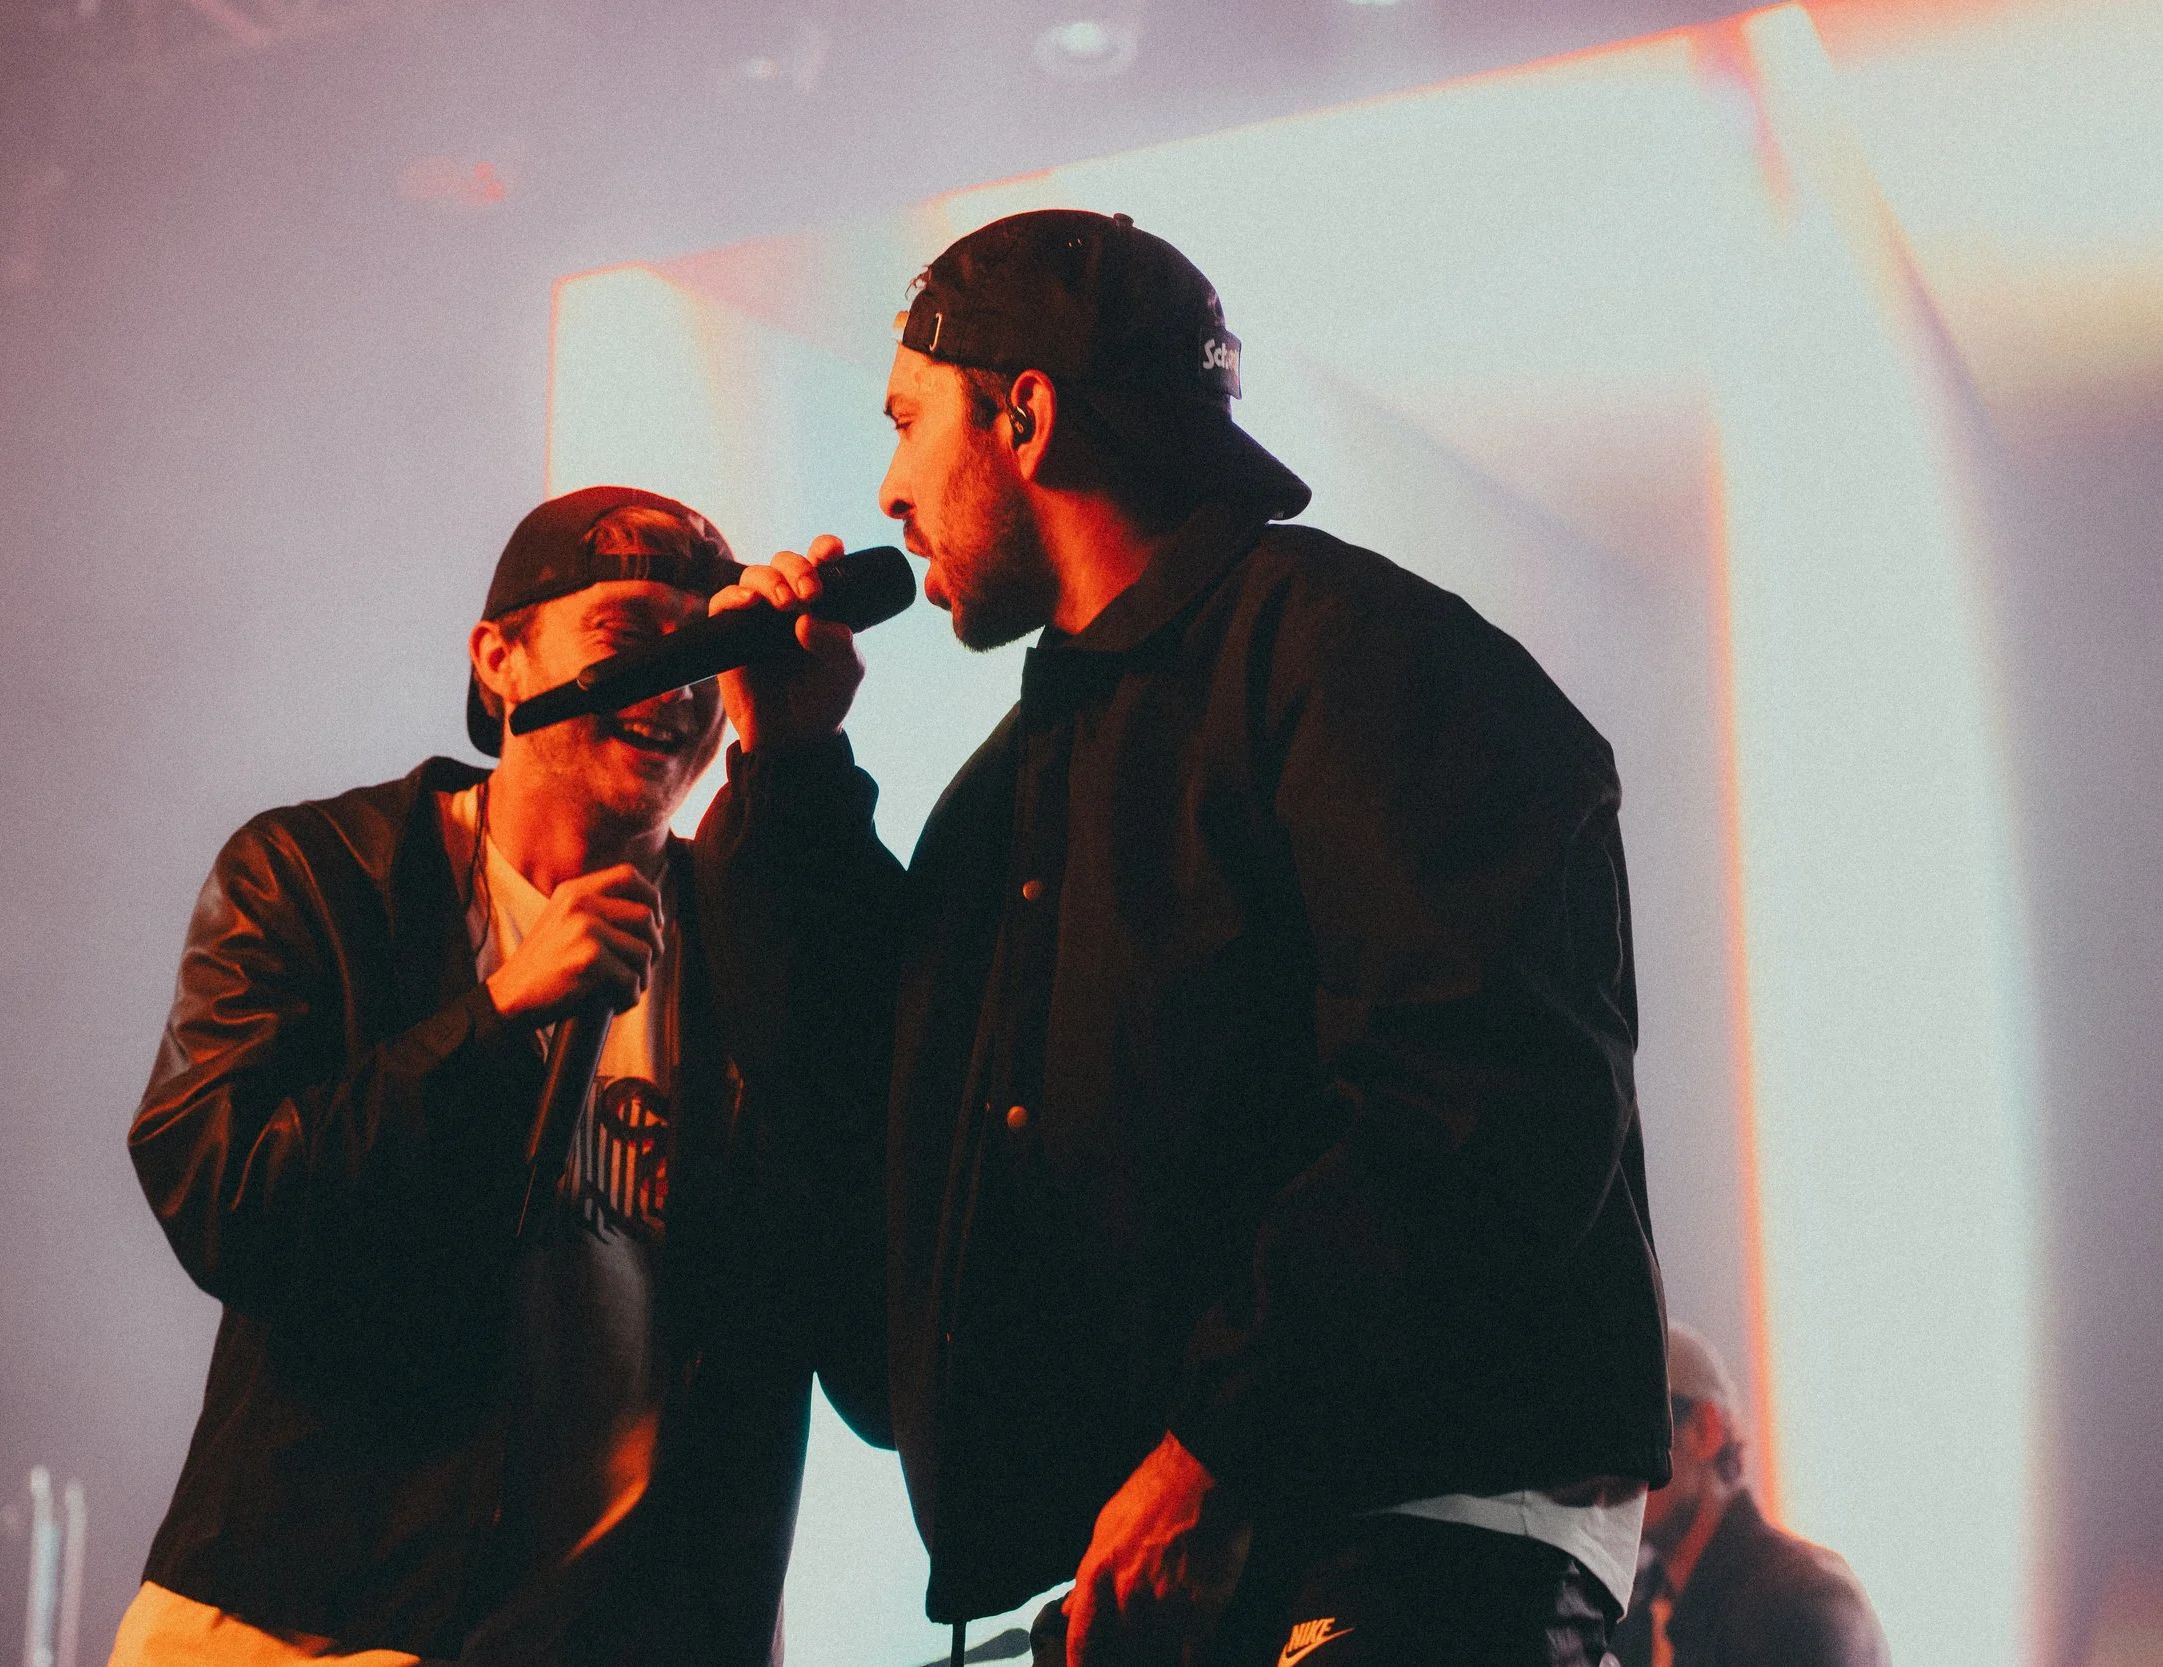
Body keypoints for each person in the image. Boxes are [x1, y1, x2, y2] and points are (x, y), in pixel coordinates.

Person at [706, 209, 1672, 1667]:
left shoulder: (1356, 654)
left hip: (1409, 1557)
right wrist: (787, 777)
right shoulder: (1019, 790)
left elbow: (1482, 1102)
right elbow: (878, 1151)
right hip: (1179, 1571)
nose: (889, 491)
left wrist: (1219, 1445)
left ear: (1023, 411)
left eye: (908, 422)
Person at [113, 486, 889, 1667]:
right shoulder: (318, 876)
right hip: (294, 1630)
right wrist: (495, 1018)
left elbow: (867, 1223)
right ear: (499, 658)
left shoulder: (748, 928)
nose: (676, 687)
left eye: (705, 649)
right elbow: (228, 1199)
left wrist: (798, 758)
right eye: (632, 644)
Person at [1607, 1325, 1890, 1667]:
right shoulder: (1634, 1609)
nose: (1609, 1469)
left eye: (1632, 1434)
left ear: (1705, 1429)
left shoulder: (1803, 1604)